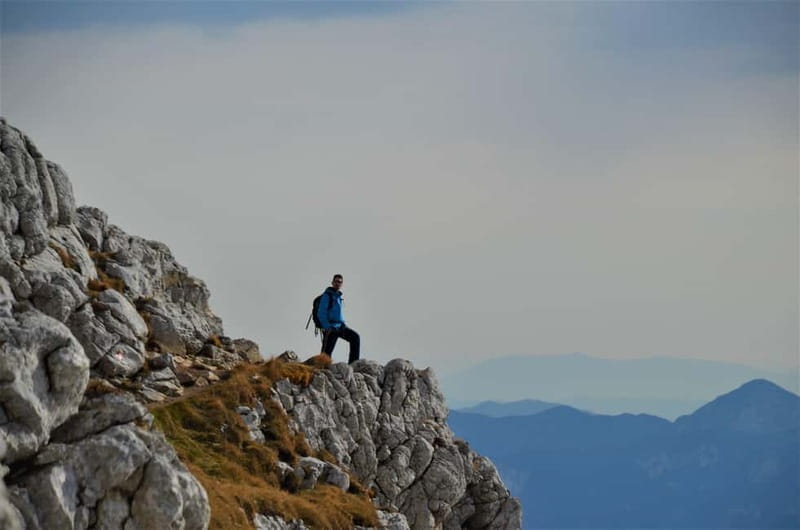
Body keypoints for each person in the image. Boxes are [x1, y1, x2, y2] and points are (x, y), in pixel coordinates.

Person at [317, 274, 360, 363]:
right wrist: (327, 326)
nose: (337, 283)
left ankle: (353, 364)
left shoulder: (338, 297)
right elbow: (321, 313)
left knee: (355, 337)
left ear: (341, 284)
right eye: (336, 281)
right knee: (326, 354)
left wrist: (343, 323)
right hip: (331, 328)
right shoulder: (327, 296)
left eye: (340, 282)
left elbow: (338, 314)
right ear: (332, 282)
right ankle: (320, 370)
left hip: (340, 326)